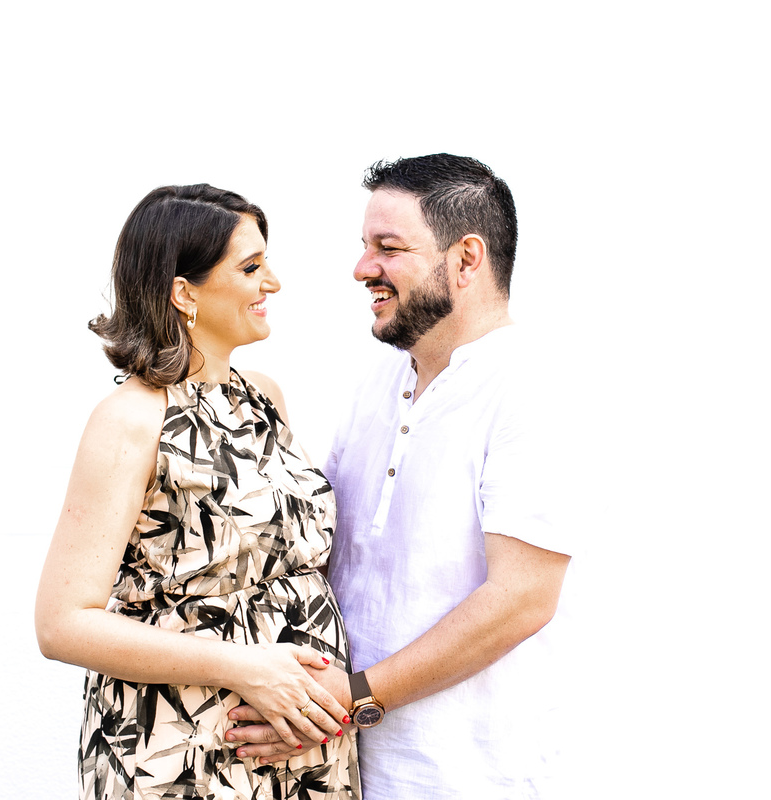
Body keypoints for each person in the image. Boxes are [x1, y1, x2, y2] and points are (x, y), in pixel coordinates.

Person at [227, 154, 575, 798]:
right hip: (339, 770)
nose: (362, 268)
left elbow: (522, 598)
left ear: (466, 259)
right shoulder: (378, 379)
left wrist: (352, 698)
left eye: (388, 248)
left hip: (470, 778)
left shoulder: (531, 390)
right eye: (365, 246)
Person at [34, 184, 360, 800]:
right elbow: (62, 624)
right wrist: (246, 668)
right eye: (251, 268)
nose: (273, 283)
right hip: (187, 748)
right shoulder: (131, 420)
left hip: (302, 740)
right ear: (184, 292)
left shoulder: (263, 396)